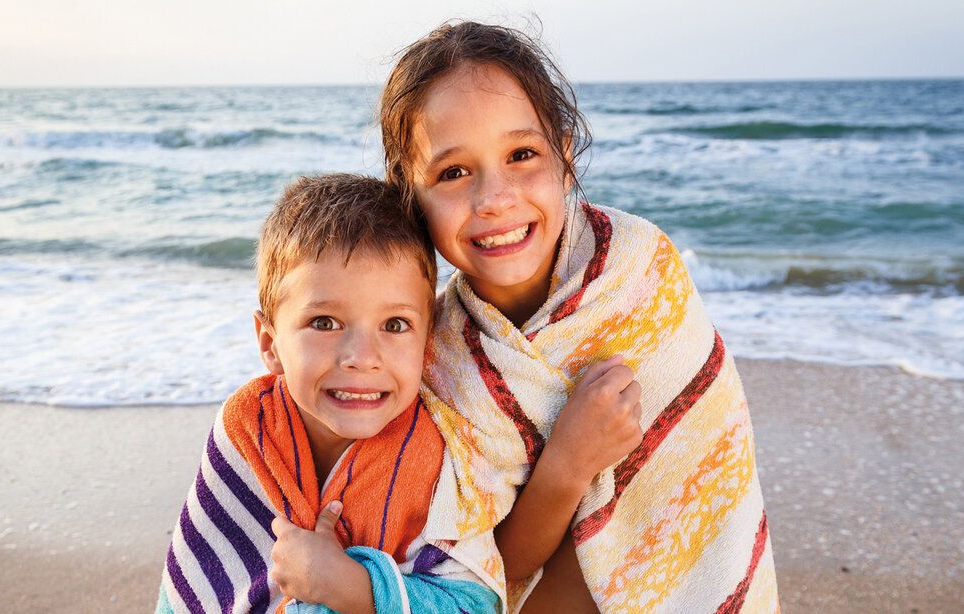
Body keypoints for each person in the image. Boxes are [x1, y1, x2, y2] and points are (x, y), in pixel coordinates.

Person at [379, 21, 780, 612]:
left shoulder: (638, 268)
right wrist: (568, 464)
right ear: (410, 192)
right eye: (453, 172)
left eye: (522, 154)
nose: (495, 198)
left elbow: (708, 463)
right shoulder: (438, 362)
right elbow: (492, 568)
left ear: (565, 155)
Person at [156, 174, 504, 613]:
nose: (361, 357)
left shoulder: (440, 457)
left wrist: (351, 587)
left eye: (394, 325)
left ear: (427, 343)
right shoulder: (249, 428)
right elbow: (185, 591)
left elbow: (475, 605)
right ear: (270, 343)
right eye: (324, 323)